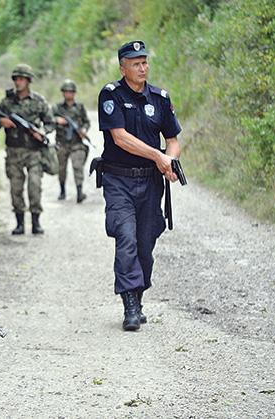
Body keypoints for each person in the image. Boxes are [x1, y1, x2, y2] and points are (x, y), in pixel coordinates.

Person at [96, 41, 181, 331]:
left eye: (145, 62)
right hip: (118, 180)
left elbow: (172, 139)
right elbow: (119, 137)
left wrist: (170, 161)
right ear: (123, 68)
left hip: (150, 183)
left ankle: (138, 296)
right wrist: (158, 155)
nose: (143, 68)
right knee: (126, 238)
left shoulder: (160, 98)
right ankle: (129, 304)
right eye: (136, 64)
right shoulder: (111, 95)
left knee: (145, 243)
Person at [0, 63, 55, 235]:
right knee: (16, 188)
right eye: (16, 79)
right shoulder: (6, 102)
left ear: (28, 81)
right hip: (14, 152)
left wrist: (42, 132)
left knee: (35, 185)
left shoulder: (38, 101)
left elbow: (50, 122)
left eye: (21, 79)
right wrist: (1, 122)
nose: (18, 82)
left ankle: (36, 221)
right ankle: (19, 223)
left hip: (34, 152)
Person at [52, 79, 91, 203]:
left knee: (77, 166)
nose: (68, 94)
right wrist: (56, 120)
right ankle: (62, 191)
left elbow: (86, 122)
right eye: (66, 91)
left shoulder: (79, 107)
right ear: (63, 93)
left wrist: (83, 130)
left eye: (70, 92)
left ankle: (79, 192)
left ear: (74, 93)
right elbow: (48, 119)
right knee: (61, 169)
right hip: (62, 143)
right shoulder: (57, 108)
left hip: (76, 143)